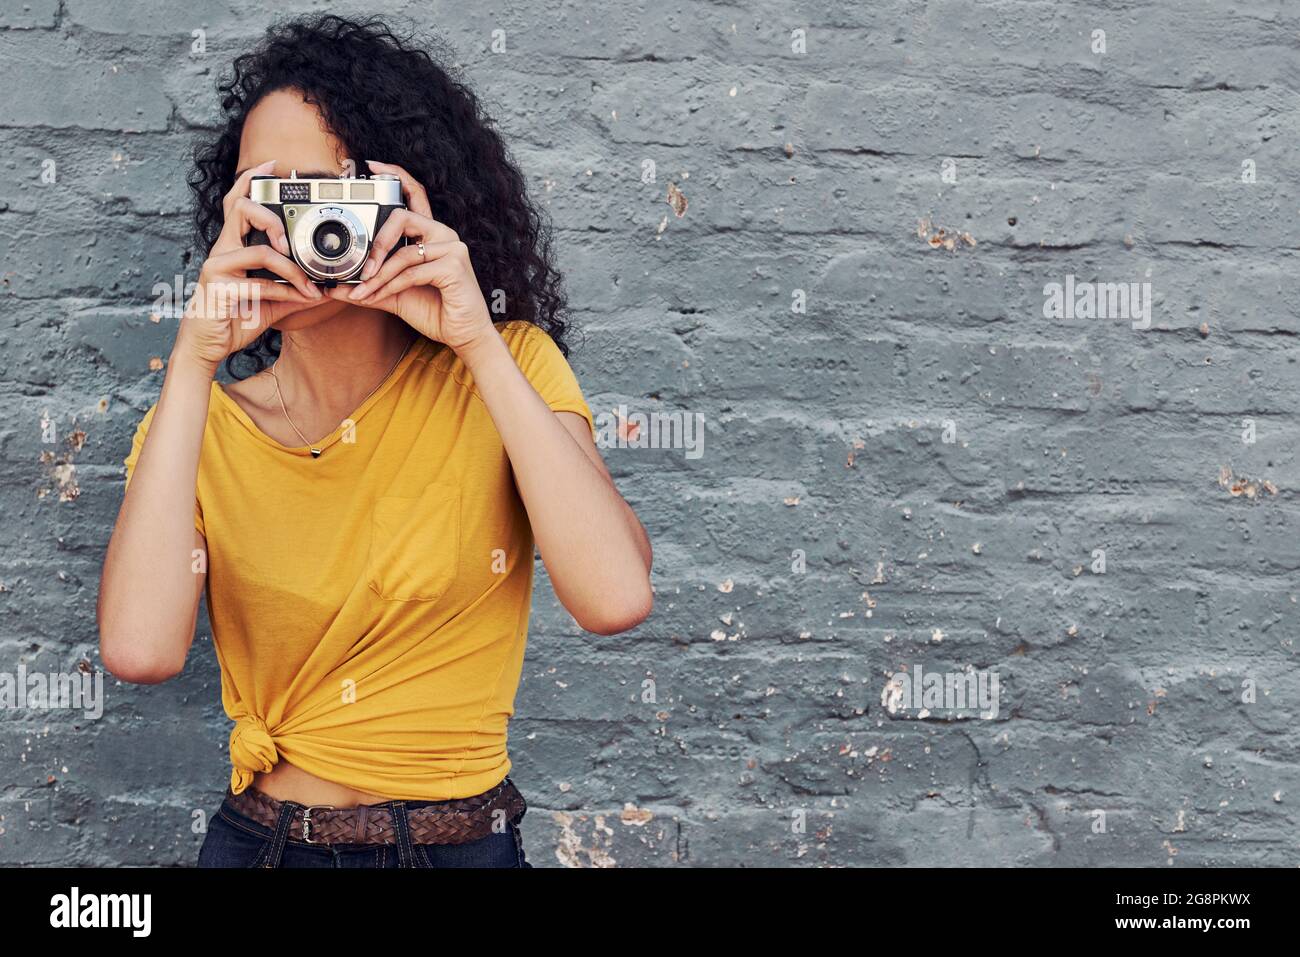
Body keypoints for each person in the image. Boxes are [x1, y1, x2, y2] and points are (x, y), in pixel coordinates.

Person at [96, 14, 653, 868]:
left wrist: (473, 335)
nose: (293, 228)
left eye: (319, 191)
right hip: (266, 845)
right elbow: (140, 648)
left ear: (400, 199)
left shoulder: (508, 369)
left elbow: (614, 597)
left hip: (462, 844)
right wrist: (192, 357)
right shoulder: (200, 422)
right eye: (264, 194)